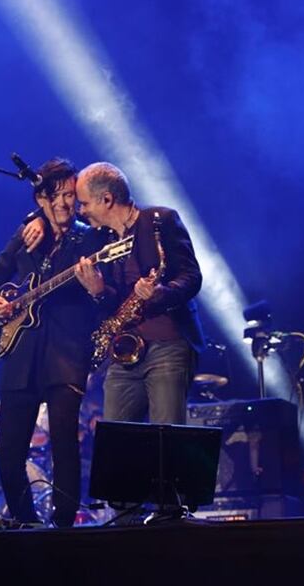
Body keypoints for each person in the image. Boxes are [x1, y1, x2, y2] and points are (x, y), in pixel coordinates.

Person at [0, 158, 109, 528]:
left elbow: (109, 283)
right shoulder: (28, 235)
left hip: (67, 354)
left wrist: (97, 290)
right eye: (58, 197)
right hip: (20, 356)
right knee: (8, 453)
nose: (66, 204)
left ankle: (64, 527)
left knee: (65, 446)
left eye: (71, 196)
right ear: (41, 200)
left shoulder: (90, 237)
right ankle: (27, 523)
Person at [73, 162, 205, 425]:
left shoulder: (161, 221)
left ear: (107, 199)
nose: (81, 210)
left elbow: (192, 278)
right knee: (114, 441)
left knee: (164, 439)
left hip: (168, 346)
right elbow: (111, 301)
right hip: (125, 352)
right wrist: (98, 292)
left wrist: (159, 292)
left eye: (85, 203)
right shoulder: (101, 240)